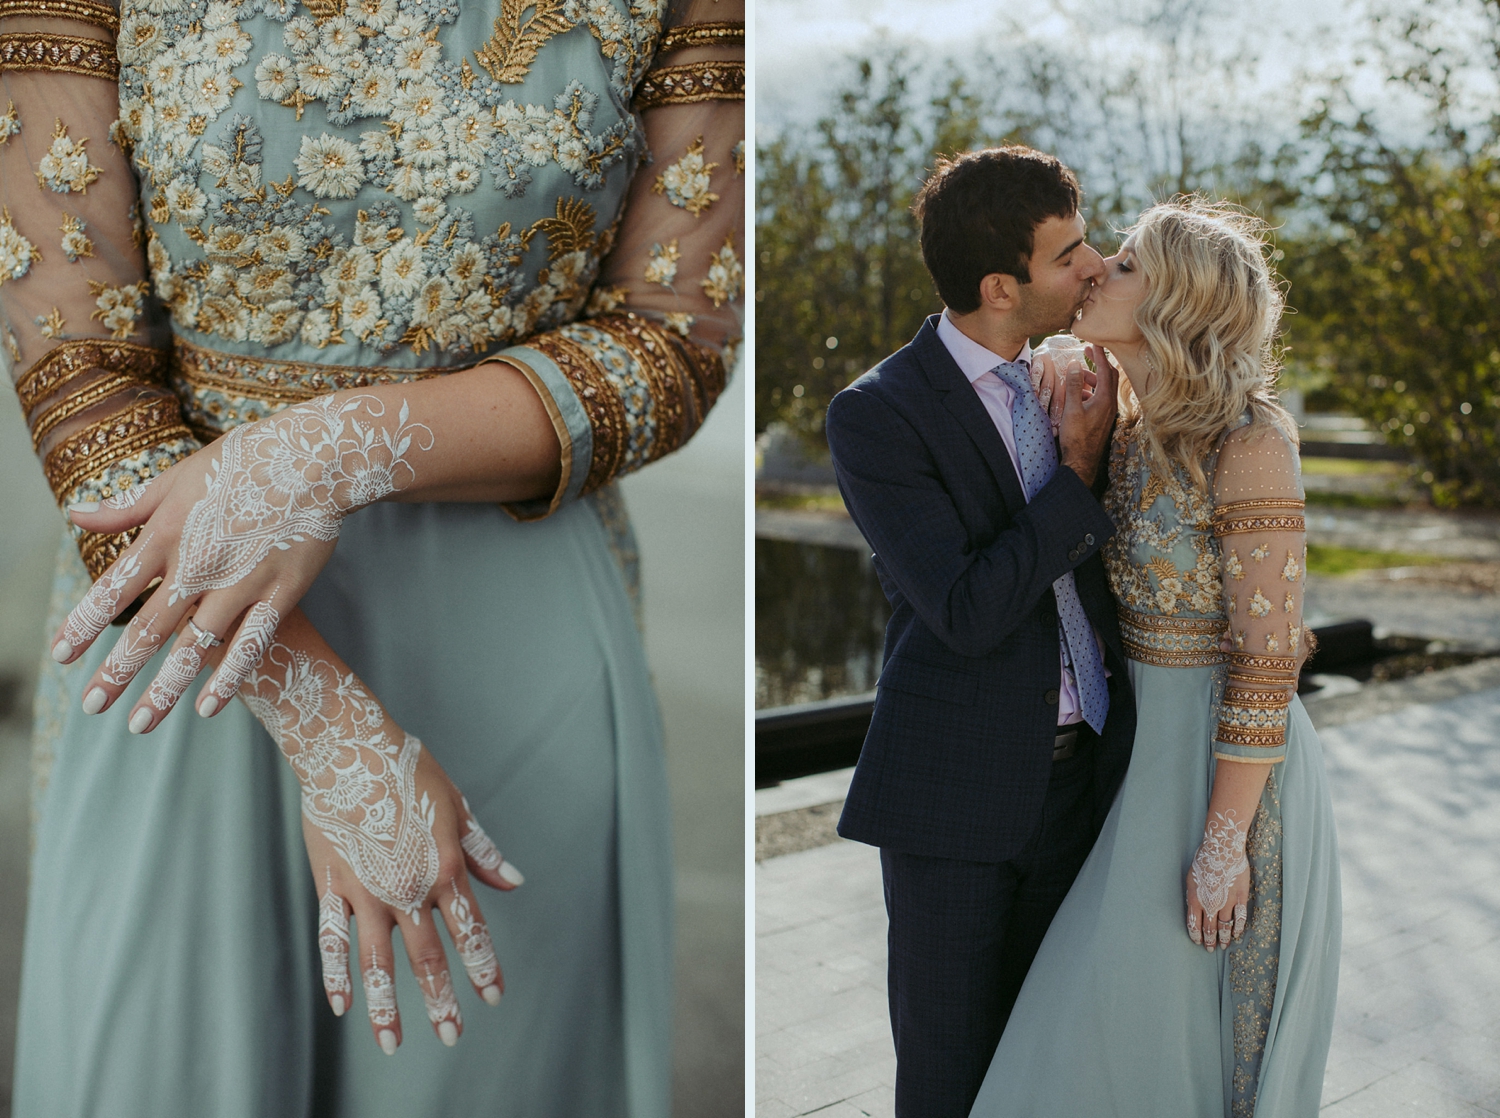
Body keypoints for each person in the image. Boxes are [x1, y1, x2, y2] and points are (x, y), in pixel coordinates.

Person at [3, 0, 742, 1114]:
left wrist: (330, 451)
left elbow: (674, 337)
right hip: (182, 627)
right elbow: (73, 361)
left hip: (513, 631)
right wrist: (327, 725)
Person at [969, 199, 1341, 1116]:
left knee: (1168, 1033)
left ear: (1176, 301)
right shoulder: (1127, 429)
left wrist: (1223, 846)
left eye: (1126, 266)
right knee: (1088, 1040)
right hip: (1129, 761)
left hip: (1226, 781)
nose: (1097, 271)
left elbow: (1266, 656)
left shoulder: (1250, 443)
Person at [824, 145, 1139, 1118]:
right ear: (1002, 286)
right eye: (1069, 254)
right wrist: (1076, 477)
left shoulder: (1078, 380)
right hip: (953, 802)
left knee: (1053, 1070)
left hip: (1082, 782)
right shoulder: (879, 415)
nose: (1094, 266)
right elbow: (961, 605)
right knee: (950, 1078)